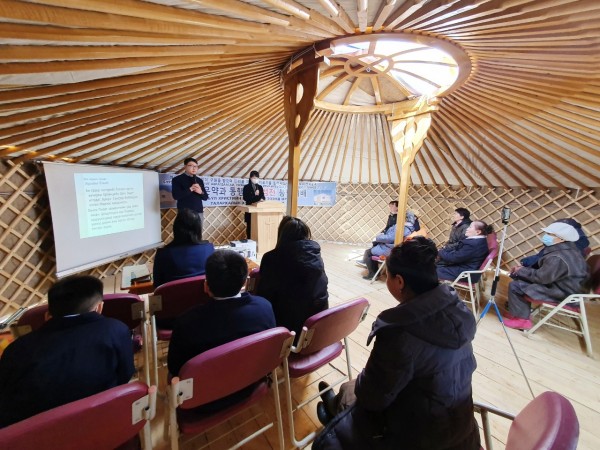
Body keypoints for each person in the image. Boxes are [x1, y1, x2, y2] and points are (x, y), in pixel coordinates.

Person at [313, 237, 480, 450]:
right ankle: (335, 407)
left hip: (417, 436)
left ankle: (334, 412)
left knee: (351, 389)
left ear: (399, 282)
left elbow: (373, 397)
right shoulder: (457, 312)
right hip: (460, 427)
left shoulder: (399, 332)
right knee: (352, 387)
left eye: (387, 274)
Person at [0, 275, 134, 427]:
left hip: (31, 434)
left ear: (47, 316)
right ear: (99, 308)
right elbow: (125, 374)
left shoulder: (16, 349)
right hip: (103, 424)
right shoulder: (116, 329)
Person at [167, 250, 275, 410]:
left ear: (206, 286)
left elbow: (175, 369)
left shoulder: (186, 323)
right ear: (244, 282)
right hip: (252, 384)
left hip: (201, 401)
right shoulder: (264, 307)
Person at [504, 222, 589, 330]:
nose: (546, 236)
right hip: (566, 288)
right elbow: (546, 273)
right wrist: (522, 271)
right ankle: (518, 313)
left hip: (563, 294)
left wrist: (522, 271)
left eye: (550, 234)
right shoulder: (569, 250)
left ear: (561, 239)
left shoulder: (558, 257)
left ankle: (522, 320)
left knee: (516, 286)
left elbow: (541, 278)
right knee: (521, 278)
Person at [257, 216, 328, 336]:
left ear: (282, 235)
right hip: (319, 324)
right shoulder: (314, 253)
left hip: (290, 329)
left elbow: (263, 295)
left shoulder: (272, 258)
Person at [153, 208, 215, 288]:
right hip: (203, 295)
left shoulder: (163, 254)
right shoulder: (209, 249)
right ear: (198, 228)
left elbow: (157, 286)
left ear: (175, 228)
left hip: (174, 296)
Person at [359, 210, 418, 280]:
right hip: (394, 248)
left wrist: (378, 237)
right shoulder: (410, 227)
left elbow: (390, 238)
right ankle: (375, 272)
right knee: (373, 247)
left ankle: (373, 274)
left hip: (390, 249)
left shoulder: (403, 227)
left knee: (368, 253)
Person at [519, 218, 590, 268]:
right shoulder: (558, 245)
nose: (547, 236)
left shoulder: (569, 250)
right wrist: (524, 263)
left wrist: (523, 267)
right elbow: (540, 257)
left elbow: (544, 265)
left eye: (551, 234)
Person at [171, 157, 209, 235]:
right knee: (184, 235)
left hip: (198, 212)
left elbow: (205, 197)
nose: (194, 168)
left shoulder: (199, 180)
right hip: (184, 212)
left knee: (197, 235)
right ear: (185, 167)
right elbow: (176, 196)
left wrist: (200, 192)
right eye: (191, 165)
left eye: (195, 166)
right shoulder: (177, 179)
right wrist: (190, 189)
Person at [242, 170, 265, 239]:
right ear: (250, 178)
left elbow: (263, 197)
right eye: (254, 178)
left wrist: (261, 198)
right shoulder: (246, 187)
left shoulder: (260, 187)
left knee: (258, 226)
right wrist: (255, 195)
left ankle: (258, 241)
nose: (256, 179)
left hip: (258, 211)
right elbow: (245, 198)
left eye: (257, 178)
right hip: (250, 211)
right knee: (249, 227)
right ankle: (249, 240)